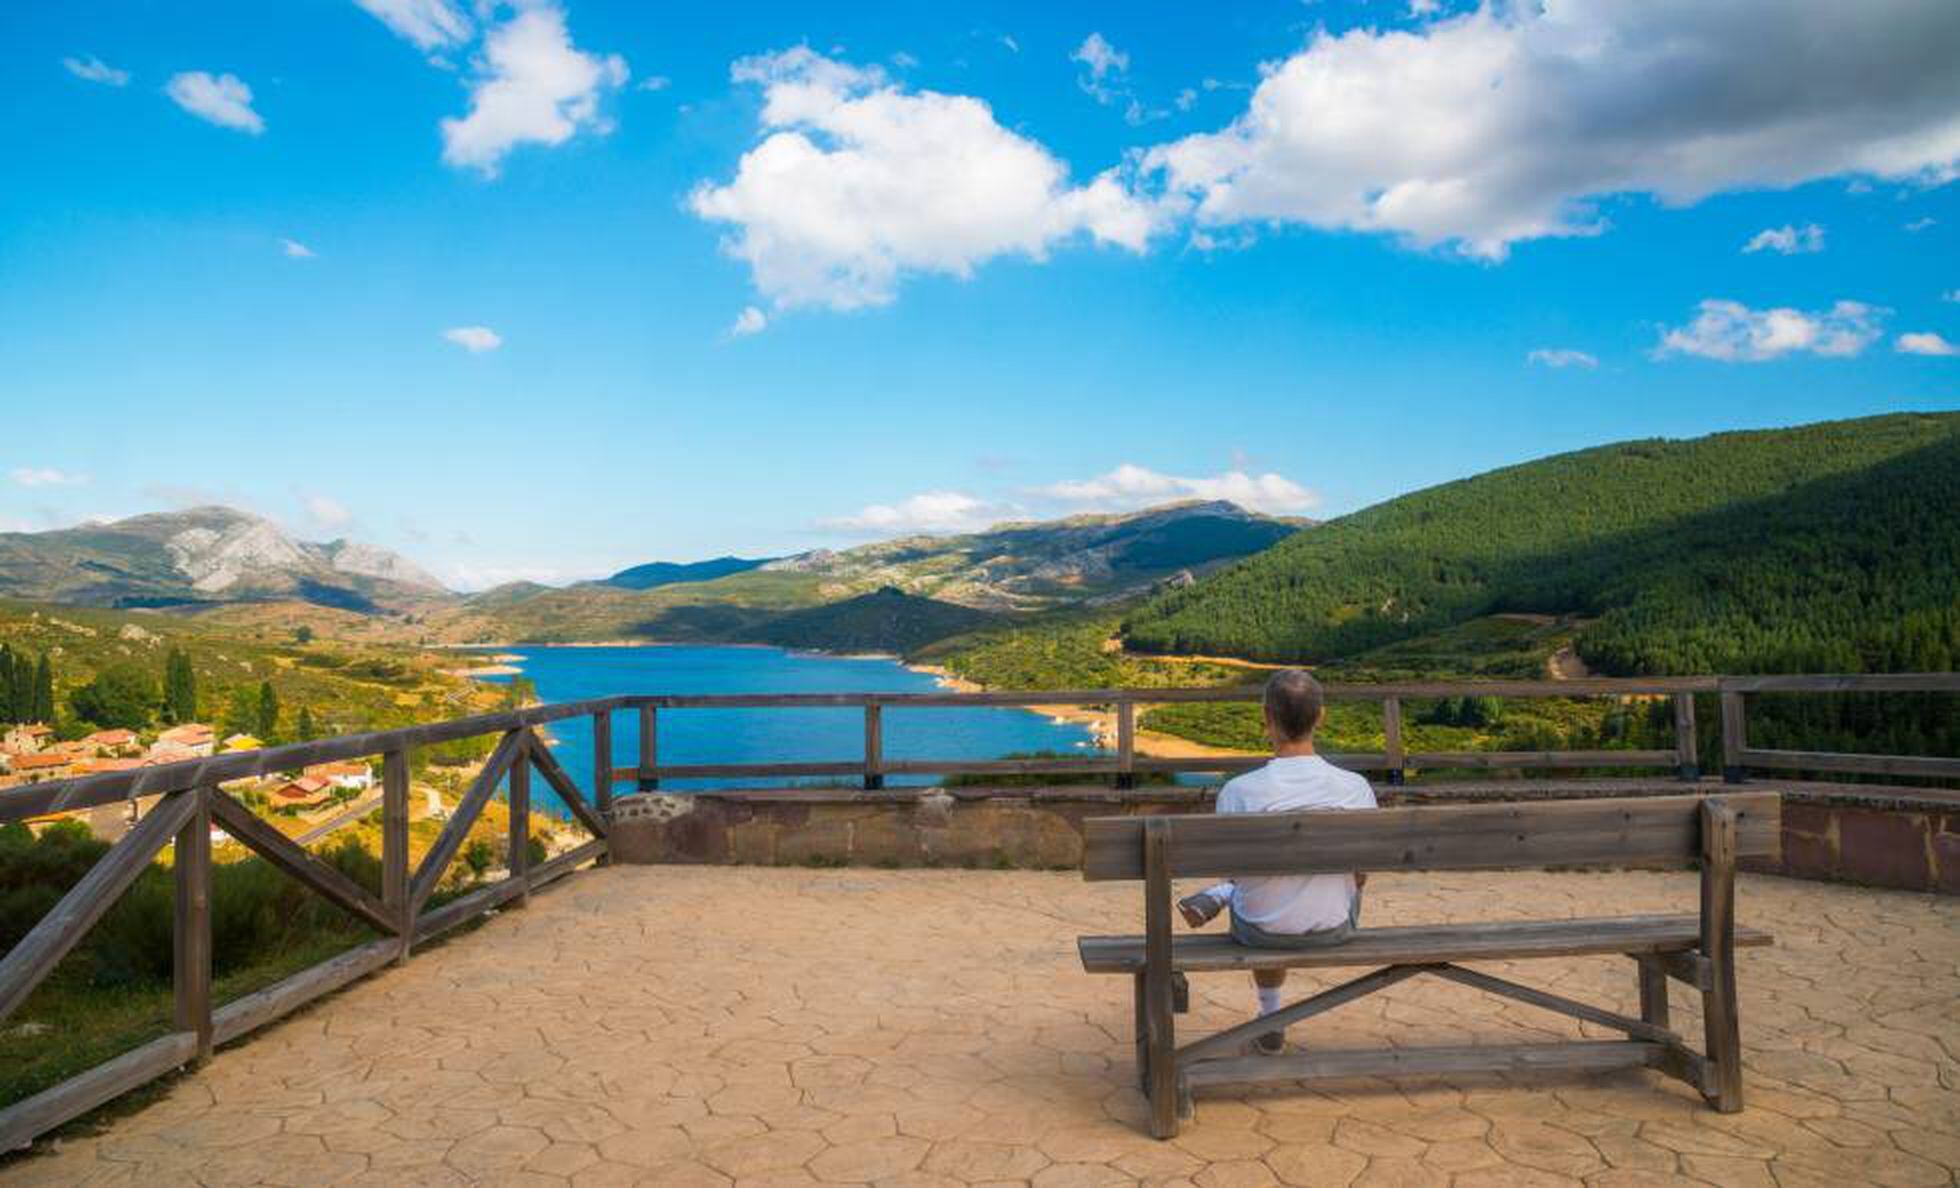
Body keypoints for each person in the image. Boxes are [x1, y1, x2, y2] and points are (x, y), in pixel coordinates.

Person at [1177, 668, 1374, 1054]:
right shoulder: (1356, 788)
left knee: (1247, 890)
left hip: (1260, 931)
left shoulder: (1238, 793)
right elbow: (1362, 874)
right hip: (1335, 928)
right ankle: (1227, 898)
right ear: (1321, 717)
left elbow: (1234, 870)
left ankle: (1271, 1013)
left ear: (1267, 717)